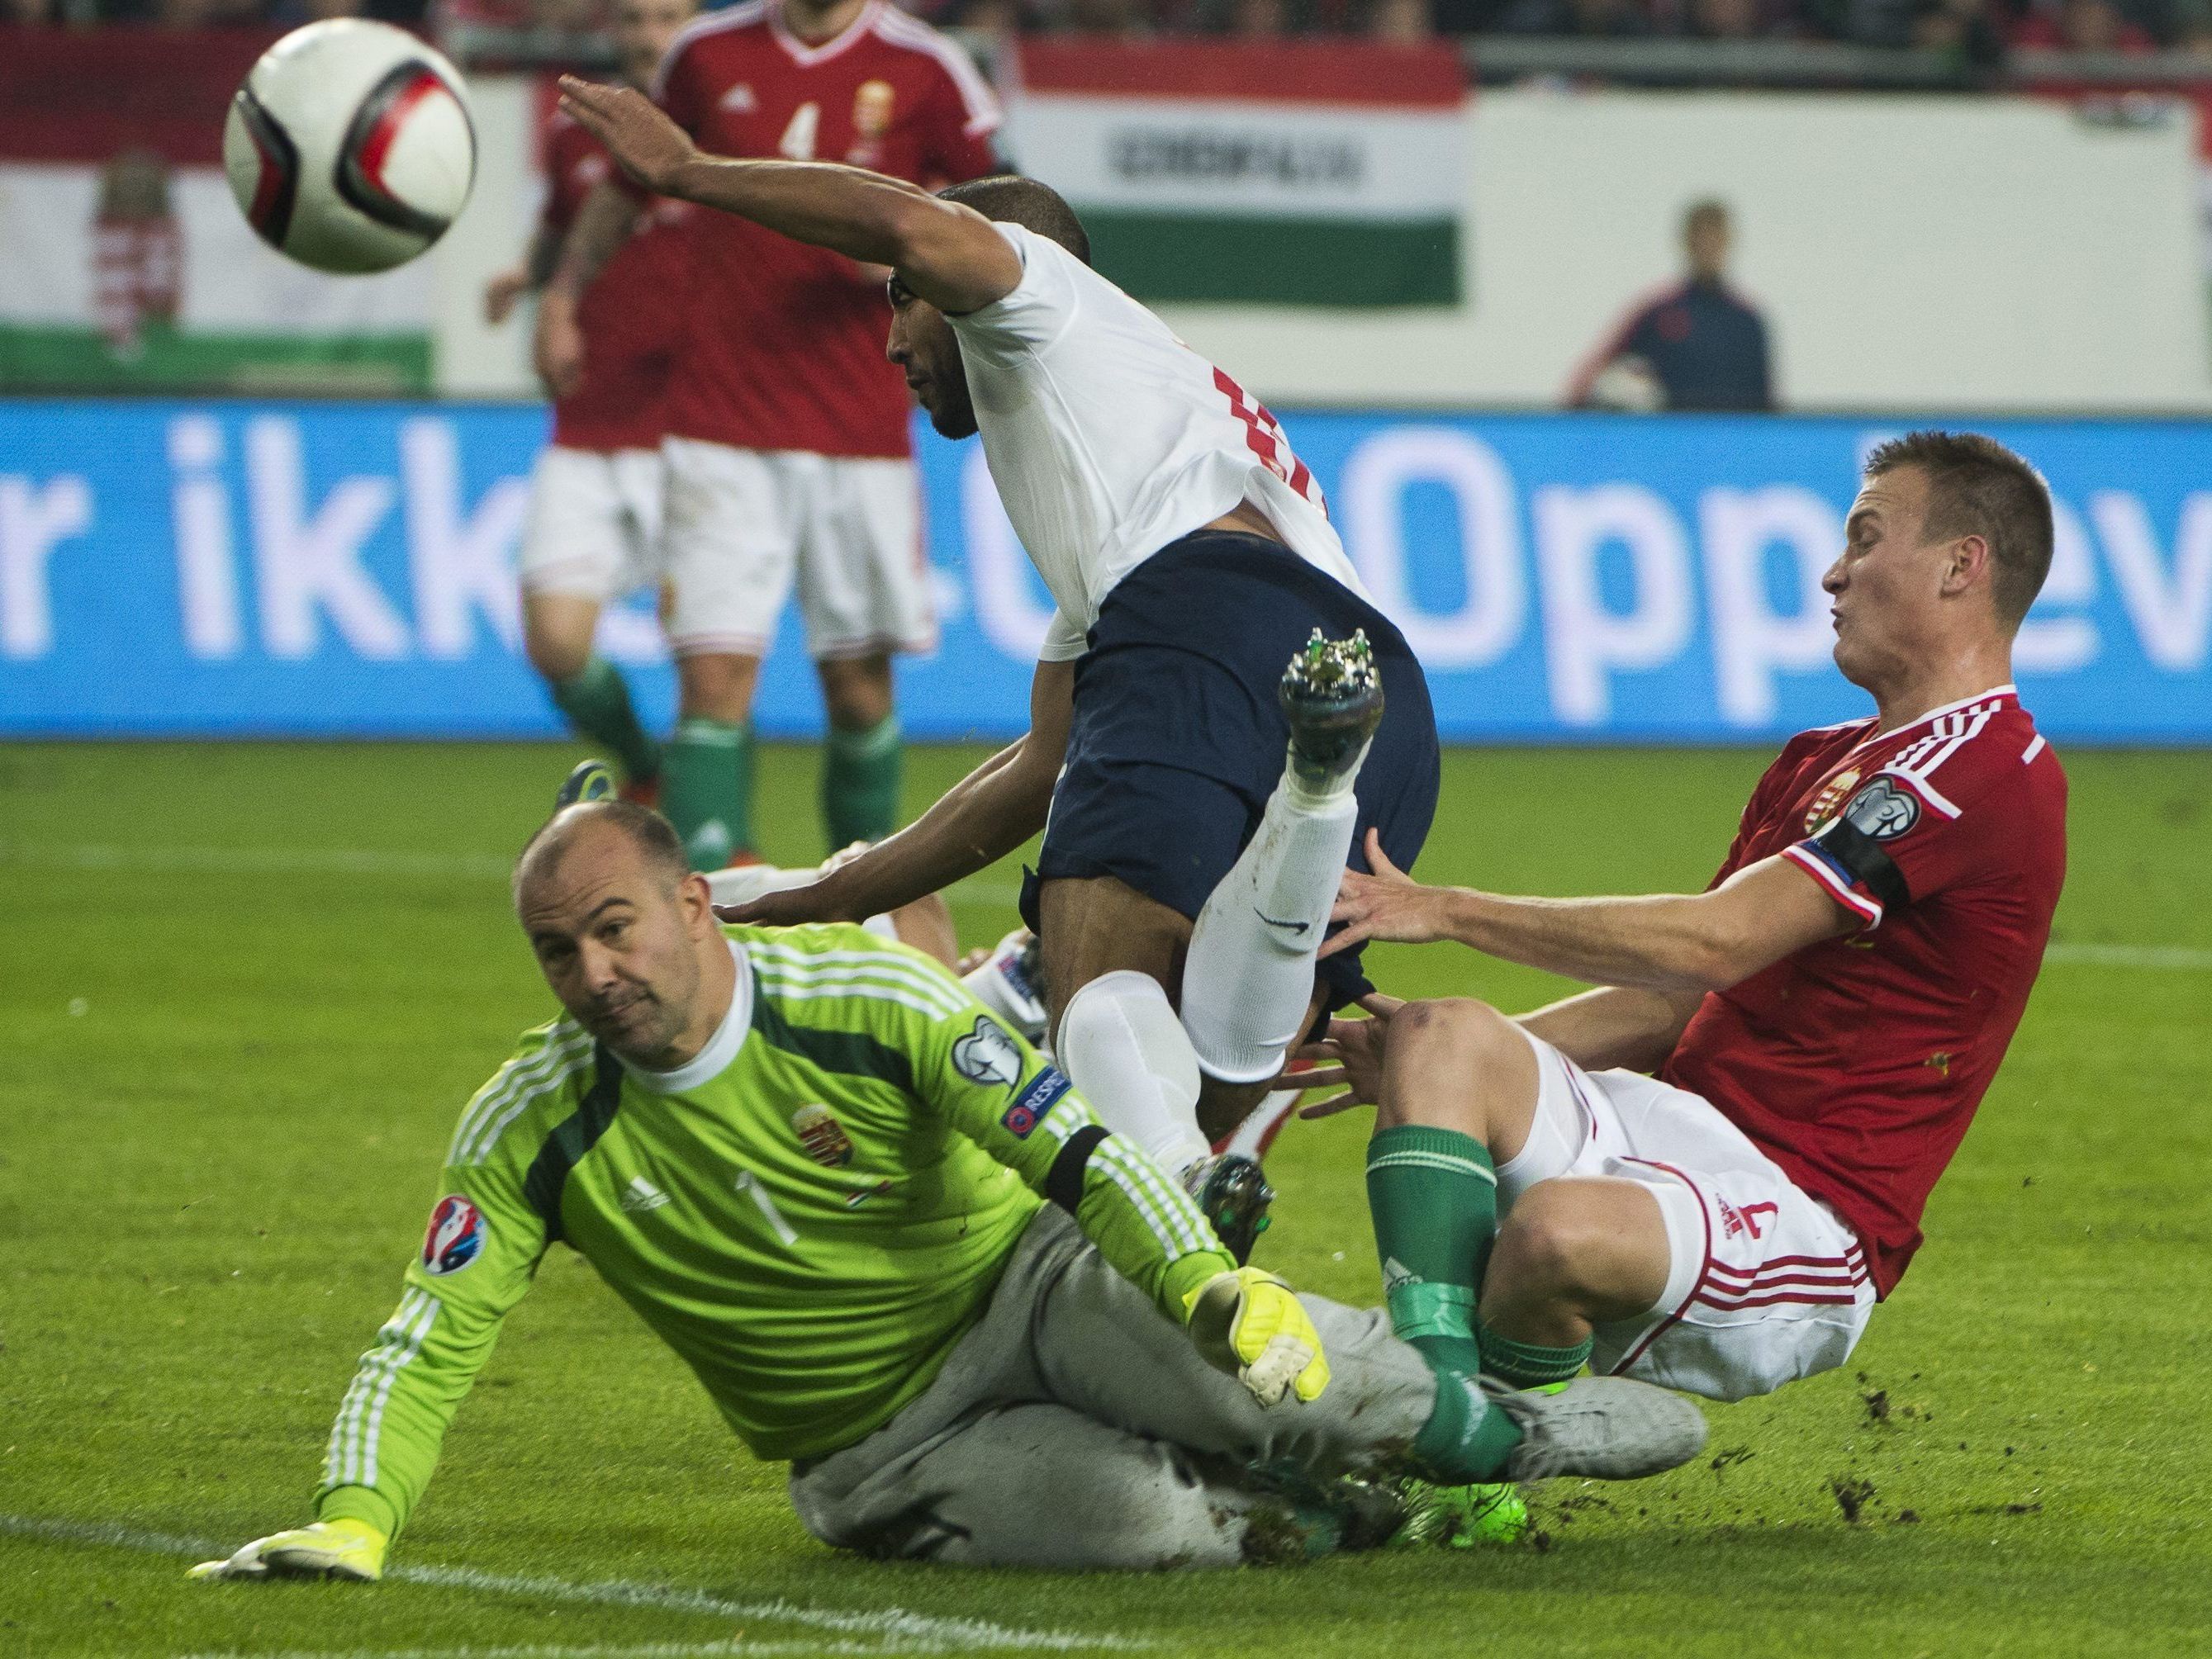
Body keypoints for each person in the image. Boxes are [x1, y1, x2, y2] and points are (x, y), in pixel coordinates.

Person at [185, 803, 1706, 1581]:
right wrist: (355, 1517)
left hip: (1033, 1285)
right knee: (1146, 1528)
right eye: (557, 951)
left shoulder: (868, 1000)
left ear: (693, 904)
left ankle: (1516, 1432)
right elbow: (427, 1329)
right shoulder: (533, 1123)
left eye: (614, 928)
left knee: (1280, 1385)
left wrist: (1205, 1283)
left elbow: (1081, 1156)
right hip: (874, 1448)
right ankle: (1375, 1527)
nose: (595, 974)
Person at [551, 79, 1445, 1273]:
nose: (889, 341)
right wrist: (808, 895)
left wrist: (685, 173)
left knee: (1096, 979)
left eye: (903, 307)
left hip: (1200, 621)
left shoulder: (1048, 297)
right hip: (1382, 690)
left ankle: (1175, 1187)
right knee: (1208, 1084)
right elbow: (1038, 773)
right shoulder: (1153, 425)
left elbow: (916, 224)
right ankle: (1308, 809)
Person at [1299, 433, 2062, 1405]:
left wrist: (1443, 907)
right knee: (1438, 1030)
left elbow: (1718, 935)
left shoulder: (1984, 767)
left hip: (1799, 1214)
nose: (1832, 573)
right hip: (1668, 1131)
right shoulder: (1820, 757)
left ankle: (1464, 1444)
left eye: (1864, 540)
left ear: (1962, 565)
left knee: (1552, 1236)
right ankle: (1450, 1421)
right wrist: (1421, 1063)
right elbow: (1680, 996)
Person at [537, 0, 1004, 870]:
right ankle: (719, 908)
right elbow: (628, 187)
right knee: (712, 680)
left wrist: (917, 249)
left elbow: (1000, 213)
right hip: (720, 422)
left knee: (859, 690)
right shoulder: (704, 57)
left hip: (860, 427)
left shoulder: (927, 67)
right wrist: (564, 296)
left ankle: (863, 891)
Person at [489, 0, 698, 803]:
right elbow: (560, 230)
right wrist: (527, 276)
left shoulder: (726, 135)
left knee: (707, 657)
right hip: (589, 424)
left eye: (668, 18)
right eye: (636, 20)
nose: (650, 36)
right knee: (555, 641)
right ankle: (643, 768)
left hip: (698, 431)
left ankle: (717, 830)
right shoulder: (575, 134)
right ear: (613, 31)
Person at [1564, 199, 1774, 413]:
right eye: (1701, 237)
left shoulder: (1747, 322)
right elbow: (1590, 375)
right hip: (1672, 439)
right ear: (1686, 241)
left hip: (1732, 440)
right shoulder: (1659, 313)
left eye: (1715, 238)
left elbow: (1767, 403)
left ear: (1728, 242)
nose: (1708, 247)